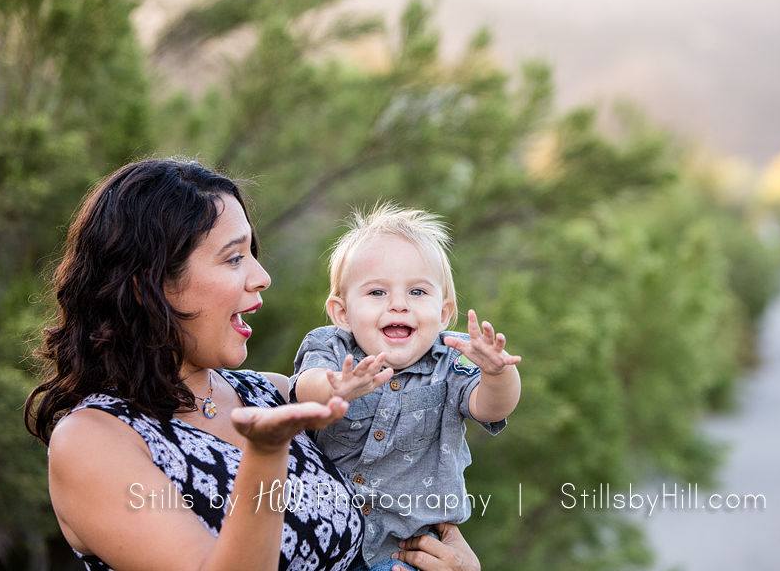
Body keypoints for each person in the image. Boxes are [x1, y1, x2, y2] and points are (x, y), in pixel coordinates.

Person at [24, 158, 480, 571]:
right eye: (234, 257)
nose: (261, 277)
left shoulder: (276, 392)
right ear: (151, 283)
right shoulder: (94, 440)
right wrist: (265, 453)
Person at [291, 204, 521, 569]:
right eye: (377, 293)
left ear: (443, 313)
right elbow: (305, 389)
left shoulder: (451, 358)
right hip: (324, 543)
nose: (399, 304)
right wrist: (336, 388)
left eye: (417, 292)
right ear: (342, 312)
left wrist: (497, 374)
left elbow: (492, 407)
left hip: (406, 551)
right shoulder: (331, 347)